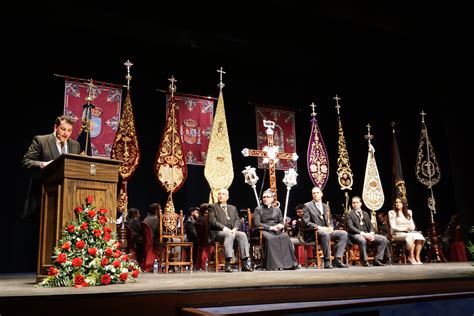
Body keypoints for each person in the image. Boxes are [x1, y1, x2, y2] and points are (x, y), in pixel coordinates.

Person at [21, 115, 81, 222]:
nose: (66, 133)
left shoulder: (75, 145)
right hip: (44, 196)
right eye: (63, 129)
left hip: (67, 197)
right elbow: (26, 162)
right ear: (55, 127)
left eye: (69, 130)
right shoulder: (41, 140)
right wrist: (42, 164)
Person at [303, 187, 349, 269]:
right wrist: (319, 227)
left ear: (321, 194)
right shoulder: (307, 206)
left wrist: (331, 226)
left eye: (317, 193)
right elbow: (306, 222)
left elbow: (330, 219)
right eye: (313, 193)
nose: (315, 195)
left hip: (327, 230)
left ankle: (337, 259)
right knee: (325, 234)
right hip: (315, 232)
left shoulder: (325, 206)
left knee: (343, 233)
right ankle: (327, 260)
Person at [208, 188, 253, 272]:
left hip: (232, 231)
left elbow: (237, 220)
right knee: (228, 234)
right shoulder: (212, 207)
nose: (220, 196)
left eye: (223, 194)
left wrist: (235, 229)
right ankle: (228, 263)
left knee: (242, 235)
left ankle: (245, 262)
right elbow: (212, 221)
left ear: (227, 197)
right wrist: (225, 229)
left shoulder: (233, 208)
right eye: (219, 194)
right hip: (218, 233)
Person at [253, 189, 299, 270]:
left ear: (272, 199)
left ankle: (290, 264)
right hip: (264, 230)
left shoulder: (277, 209)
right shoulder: (258, 209)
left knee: (285, 236)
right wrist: (271, 228)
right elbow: (257, 223)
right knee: (271, 239)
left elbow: (281, 221)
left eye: (267, 197)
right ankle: (273, 265)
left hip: (276, 229)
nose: (265, 199)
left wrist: (281, 225)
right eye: (264, 197)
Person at [345, 196, 388, 267]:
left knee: (383, 239)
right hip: (355, 235)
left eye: (357, 202)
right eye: (353, 203)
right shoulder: (349, 214)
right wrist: (363, 234)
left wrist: (371, 233)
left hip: (367, 234)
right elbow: (351, 227)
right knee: (362, 239)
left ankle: (377, 259)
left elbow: (371, 226)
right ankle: (364, 261)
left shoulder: (365, 213)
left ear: (361, 203)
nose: (355, 204)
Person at [388, 197, 425, 265]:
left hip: (408, 233)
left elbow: (412, 226)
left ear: (403, 204)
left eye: (399, 202)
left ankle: (417, 256)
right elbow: (393, 227)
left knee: (419, 236)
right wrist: (405, 228)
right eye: (396, 202)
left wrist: (410, 228)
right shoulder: (392, 213)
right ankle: (411, 256)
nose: (398, 204)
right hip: (397, 234)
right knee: (411, 236)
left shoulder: (409, 212)